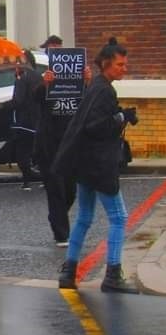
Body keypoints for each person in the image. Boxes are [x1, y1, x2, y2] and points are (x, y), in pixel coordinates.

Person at [56, 38, 138, 293]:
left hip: (84, 165)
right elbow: (97, 126)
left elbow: (93, 121)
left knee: (84, 217)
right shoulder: (104, 90)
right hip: (99, 165)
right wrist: (122, 116)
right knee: (119, 218)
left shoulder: (97, 87)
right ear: (106, 64)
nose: (124, 68)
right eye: (120, 64)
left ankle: (69, 272)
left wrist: (119, 114)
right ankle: (112, 275)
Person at [34, 36, 91, 247]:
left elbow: (87, 102)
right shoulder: (43, 74)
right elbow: (34, 98)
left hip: (70, 142)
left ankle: (56, 215)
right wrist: (45, 83)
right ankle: (61, 233)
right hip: (49, 142)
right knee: (55, 188)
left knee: (70, 190)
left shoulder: (76, 77)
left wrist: (87, 82)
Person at [0, 50, 42, 191]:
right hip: (38, 120)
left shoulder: (22, 78)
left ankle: (26, 181)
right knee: (39, 150)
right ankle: (45, 178)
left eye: (17, 62)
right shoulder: (39, 77)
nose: (15, 66)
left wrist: (1, 106)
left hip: (23, 121)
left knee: (22, 151)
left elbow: (18, 101)